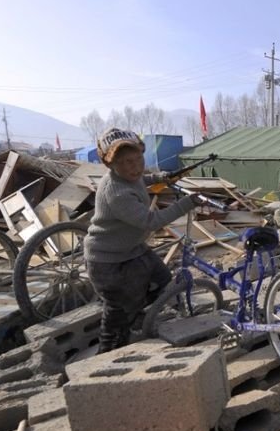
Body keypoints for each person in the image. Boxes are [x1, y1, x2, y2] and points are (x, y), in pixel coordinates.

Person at [84, 127, 204, 353]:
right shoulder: (116, 192)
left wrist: (161, 178)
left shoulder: (131, 177)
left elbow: (141, 180)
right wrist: (186, 203)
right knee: (117, 312)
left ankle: (140, 315)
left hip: (133, 250)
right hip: (108, 262)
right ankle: (106, 353)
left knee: (161, 278)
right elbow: (151, 221)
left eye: (139, 159)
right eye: (127, 162)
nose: (136, 167)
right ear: (110, 165)